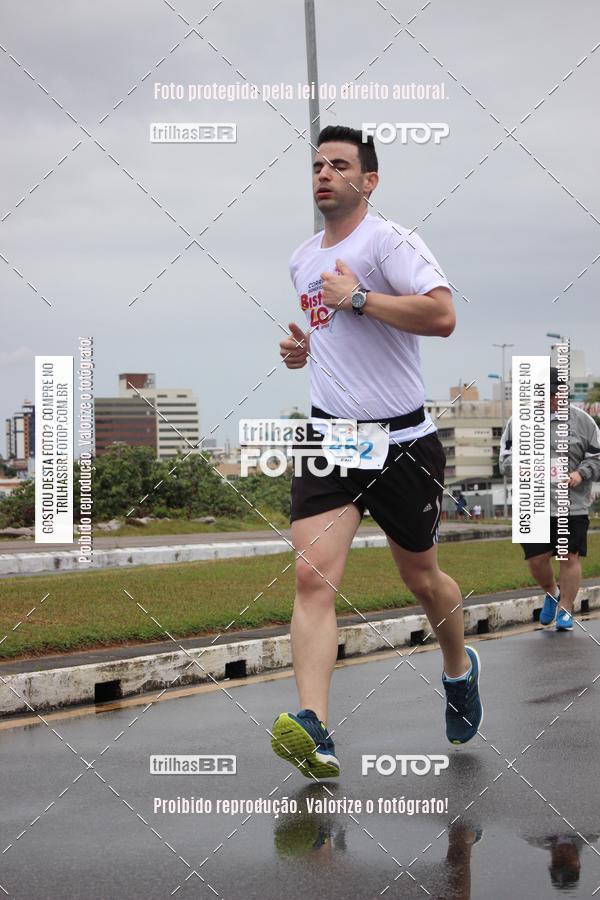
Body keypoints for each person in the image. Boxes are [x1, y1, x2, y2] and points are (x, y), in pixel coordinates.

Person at [271, 125, 483, 780]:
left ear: (369, 180)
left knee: (422, 580)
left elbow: (442, 316)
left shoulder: (390, 241)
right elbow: (333, 330)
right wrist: (305, 350)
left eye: (339, 164)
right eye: (316, 165)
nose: (324, 173)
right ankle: (316, 727)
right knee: (312, 578)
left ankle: (458, 670)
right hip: (333, 436)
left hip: (401, 441)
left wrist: (359, 297)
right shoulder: (302, 258)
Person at [499, 366, 600, 630]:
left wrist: (581, 472)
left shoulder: (583, 421)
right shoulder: (517, 423)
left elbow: (597, 456)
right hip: (533, 503)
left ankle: (566, 608)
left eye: (554, 393)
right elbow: (505, 460)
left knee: (569, 556)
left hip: (572, 503)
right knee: (536, 559)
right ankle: (552, 593)